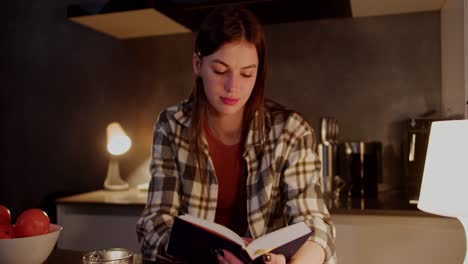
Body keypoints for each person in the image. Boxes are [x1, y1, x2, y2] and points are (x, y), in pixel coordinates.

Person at [136, 5, 336, 264]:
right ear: (198, 64)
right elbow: (154, 226)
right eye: (220, 71)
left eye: (247, 73)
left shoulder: (290, 131)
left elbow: (315, 226)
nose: (233, 87)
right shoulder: (172, 126)